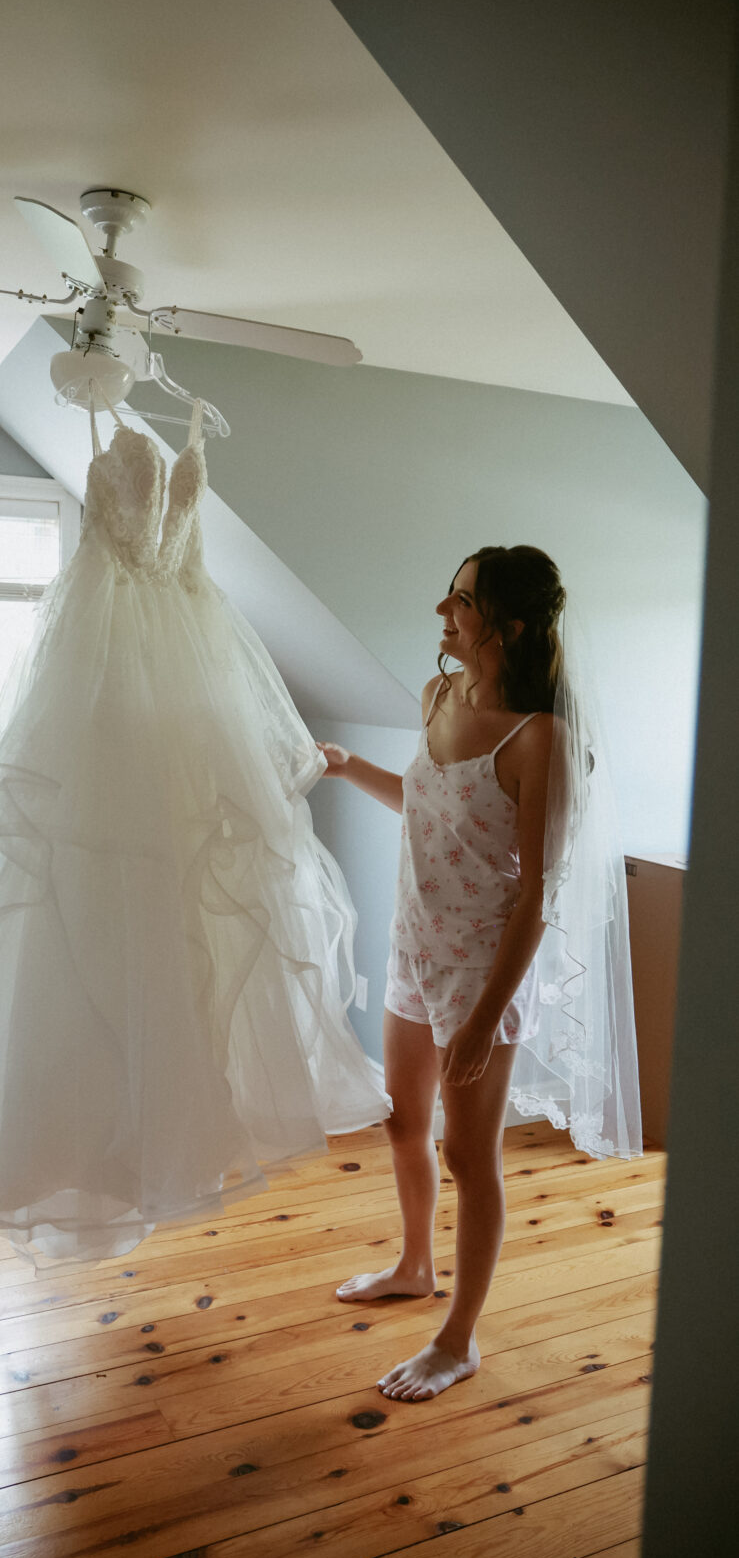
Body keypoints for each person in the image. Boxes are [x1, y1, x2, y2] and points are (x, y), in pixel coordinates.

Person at [319, 545, 572, 1402]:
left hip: (480, 970)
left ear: (508, 623)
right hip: (411, 947)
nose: (441, 611)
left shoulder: (536, 736)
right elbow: (425, 802)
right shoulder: (436, 695)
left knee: (470, 1155)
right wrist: (349, 767)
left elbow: (536, 895)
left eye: (459, 599)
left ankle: (457, 1339)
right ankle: (413, 1265)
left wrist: (481, 1017)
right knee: (401, 1123)